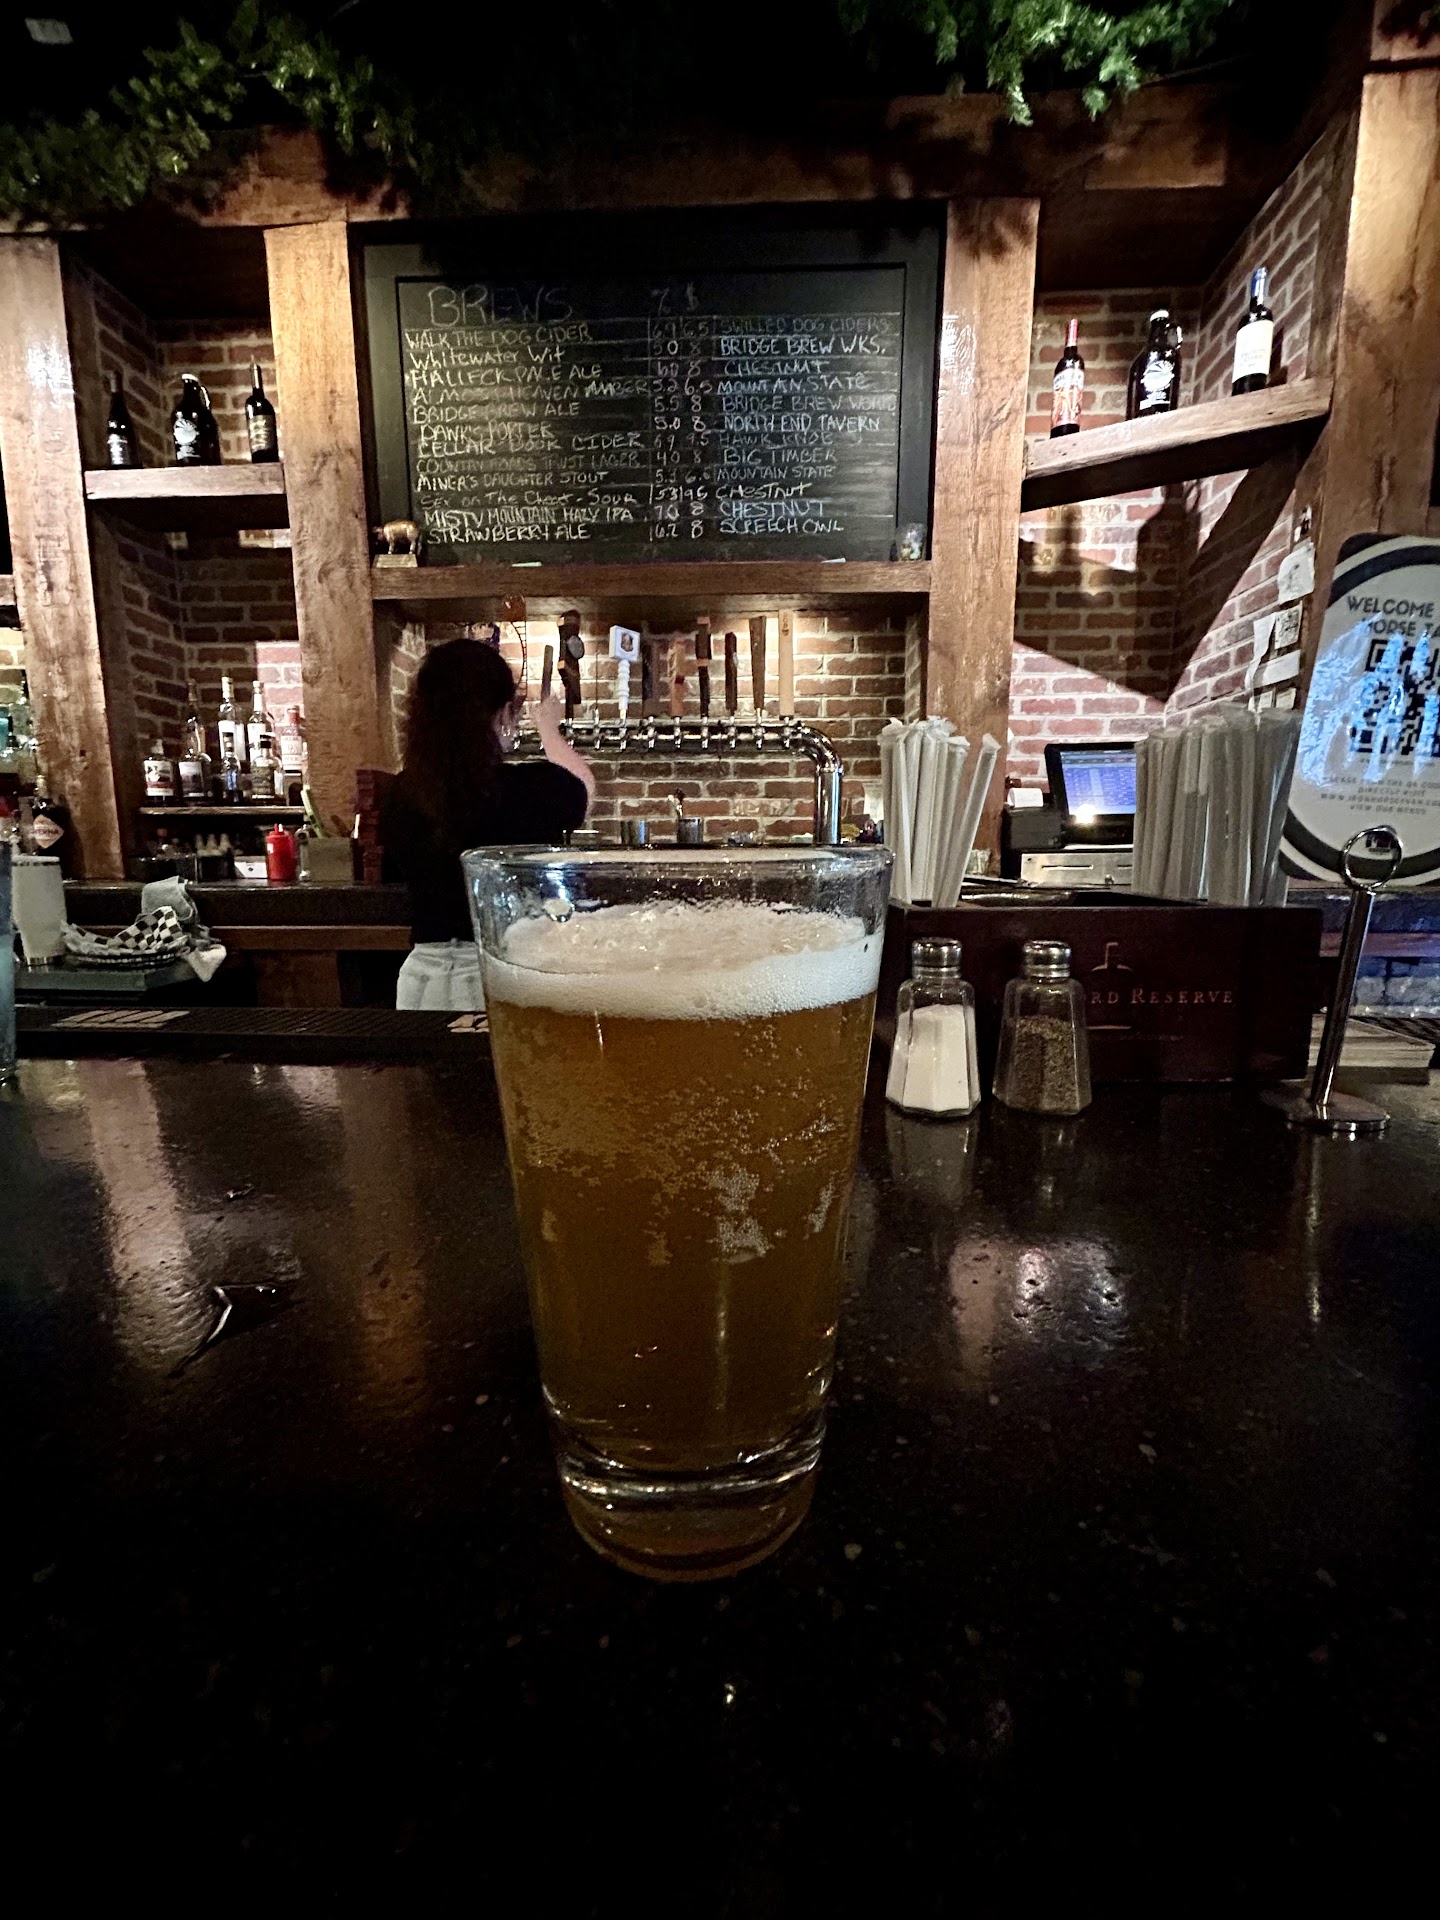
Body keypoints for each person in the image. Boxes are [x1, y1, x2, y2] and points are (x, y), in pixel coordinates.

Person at [382, 639, 594, 1011]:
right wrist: (548, 729)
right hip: (494, 975)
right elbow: (583, 788)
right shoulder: (529, 788)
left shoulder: (400, 794)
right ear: (502, 712)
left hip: (419, 978)